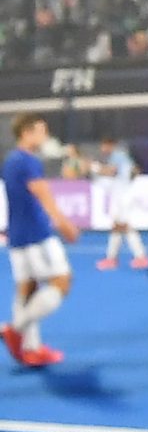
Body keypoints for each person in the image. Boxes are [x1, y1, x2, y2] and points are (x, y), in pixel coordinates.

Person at [3, 111, 80, 368]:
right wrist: (64, 223)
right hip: (37, 235)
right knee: (62, 282)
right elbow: (42, 194)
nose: (45, 135)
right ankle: (15, 330)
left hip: (17, 237)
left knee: (27, 289)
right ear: (27, 133)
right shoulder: (28, 161)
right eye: (42, 130)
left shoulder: (10, 160)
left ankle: (31, 348)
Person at [98, 139, 148, 269]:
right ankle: (112, 258)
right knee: (117, 226)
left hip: (123, 195)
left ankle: (141, 257)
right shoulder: (124, 156)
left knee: (124, 225)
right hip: (123, 193)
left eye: (103, 145)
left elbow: (112, 171)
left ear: (109, 145)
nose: (102, 149)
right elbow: (136, 170)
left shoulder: (117, 155)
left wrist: (95, 168)